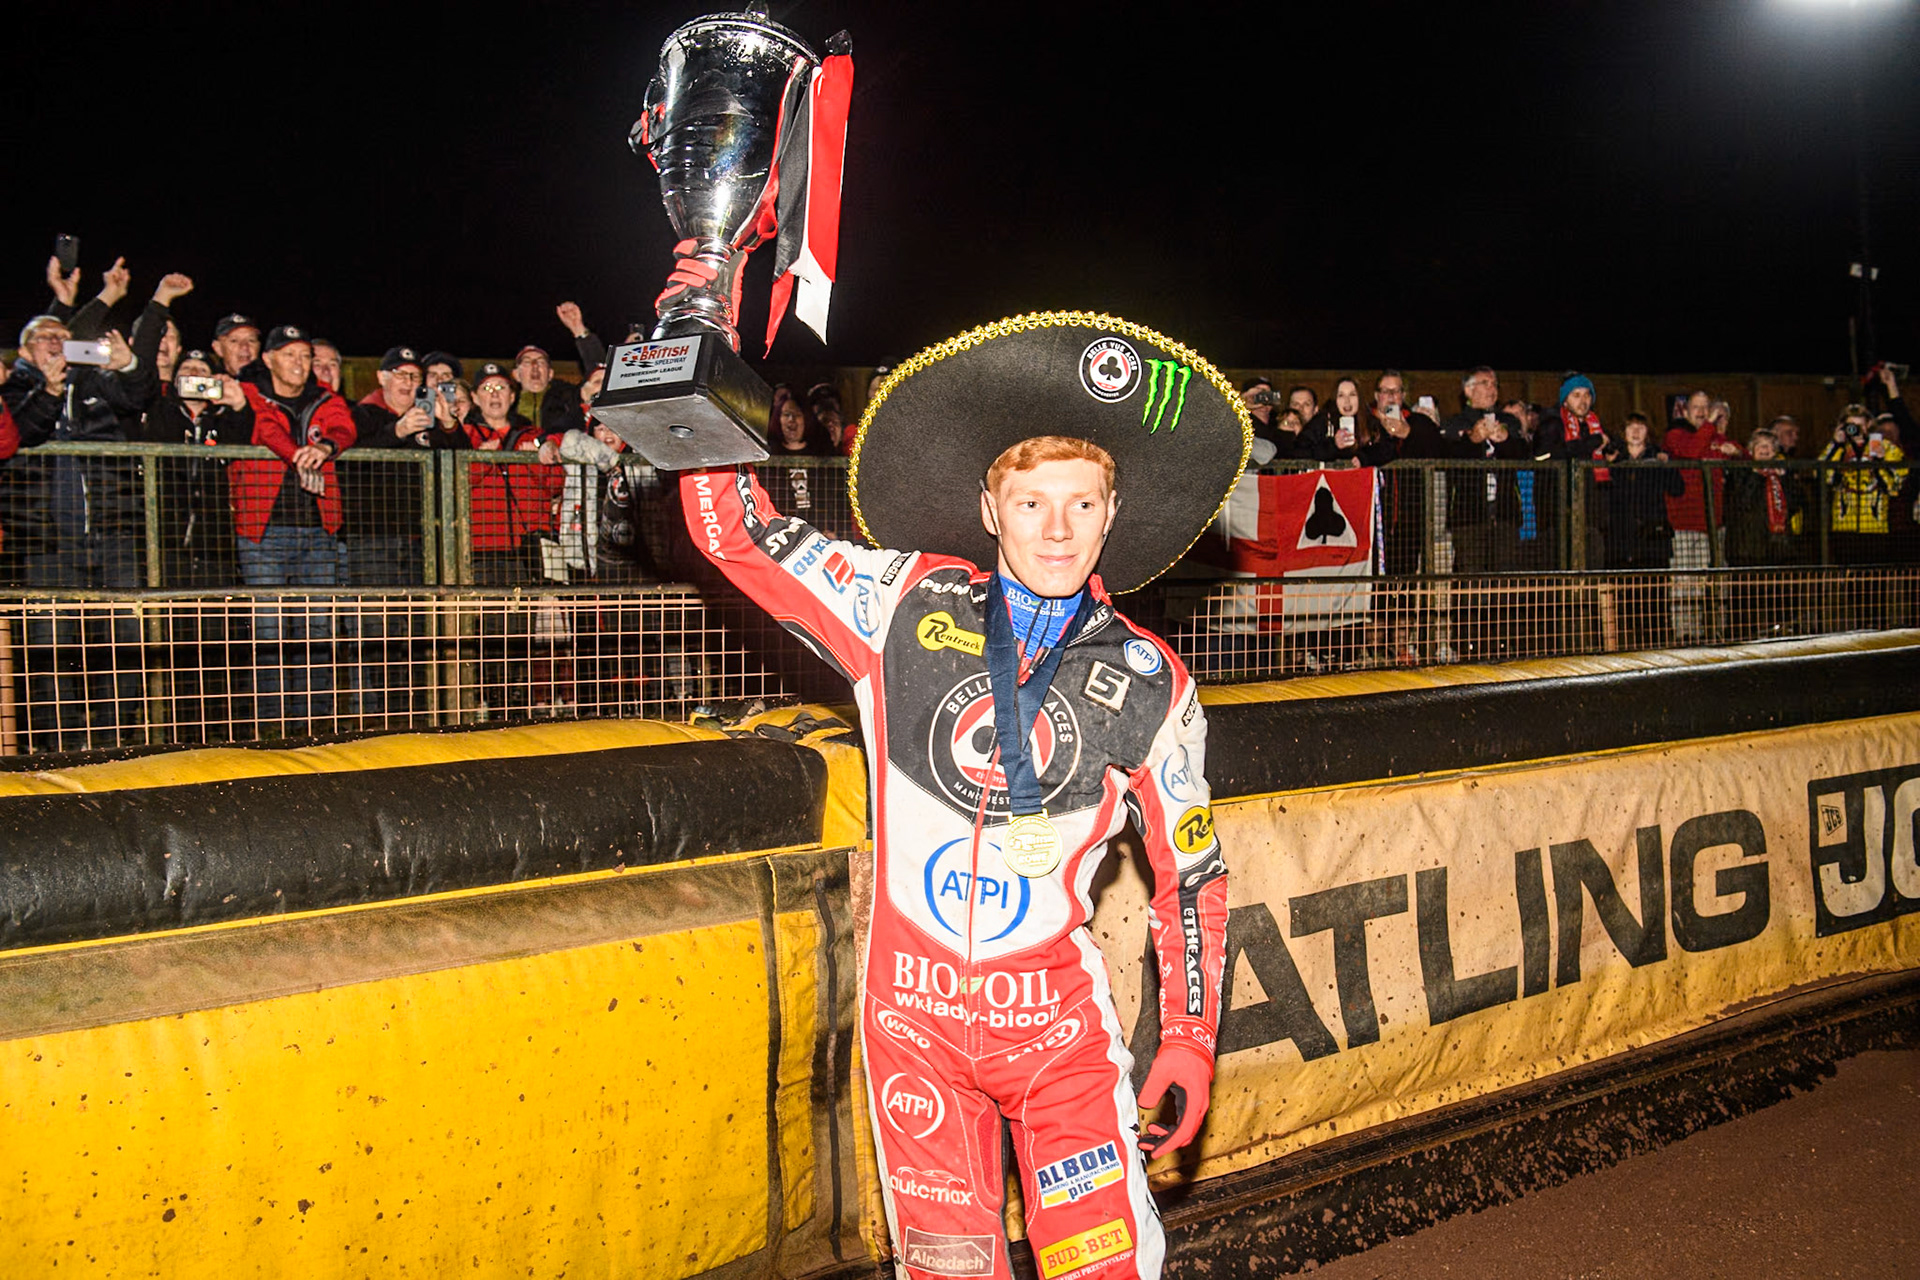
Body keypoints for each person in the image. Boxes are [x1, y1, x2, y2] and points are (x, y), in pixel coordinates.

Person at [677, 316, 1236, 1280]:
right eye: (1030, 503)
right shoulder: (903, 601)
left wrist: (1188, 1038)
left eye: (1081, 503)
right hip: (912, 1037)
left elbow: (1193, 876)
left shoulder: (1153, 680)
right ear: (989, 508)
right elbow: (734, 533)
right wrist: (699, 338)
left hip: (1058, 1042)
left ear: (1112, 512)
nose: (1056, 529)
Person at [2, 313, 157, 749]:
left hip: (112, 534)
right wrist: (49, 391)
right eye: (46, 337)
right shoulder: (13, 388)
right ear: (25, 350)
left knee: (126, 640)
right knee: (51, 647)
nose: (57, 343)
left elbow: (140, 397)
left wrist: (129, 365)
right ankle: (62, 746)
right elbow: (20, 434)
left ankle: (113, 741)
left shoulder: (93, 381)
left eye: (64, 337)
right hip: (47, 542)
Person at [233, 325, 357, 735]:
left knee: (316, 630)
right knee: (270, 631)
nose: (300, 364)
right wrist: (298, 455)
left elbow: (345, 426)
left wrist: (325, 448)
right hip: (263, 530)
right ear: (268, 359)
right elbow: (265, 428)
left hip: (319, 528)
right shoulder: (250, 390)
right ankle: (271, 725)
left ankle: (315, 724)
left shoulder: (326, 396)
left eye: (305, 355)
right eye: (290, 355)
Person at [463, 362, 563, 585]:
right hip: (483, 549)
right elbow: (453, 485)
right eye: (487, 389)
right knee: (490, 616)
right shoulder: (464, 437)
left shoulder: (534, 436)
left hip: (532, 548)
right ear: (475, 398)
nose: (495, 395)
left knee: (529, 617)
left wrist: (535, 461)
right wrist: (480, 461)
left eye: (501, 388)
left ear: (512, 396)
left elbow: (557, 484)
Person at [1661, 390, 1741, 644]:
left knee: (1718, 582)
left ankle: (1718, 630)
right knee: (1686, 582)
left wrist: (1737, 453)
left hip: (1715, 525)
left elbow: (1744, 455)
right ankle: (1686, 633)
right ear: (1685, 411)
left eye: (1706, 407)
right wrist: (1710, 426)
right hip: (1684, 525)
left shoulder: (1716, 438)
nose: (1702, 411)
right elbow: (1692, 450)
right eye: (1696, 407)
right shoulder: (1677, 435)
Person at [1599, 413, 1684, 651]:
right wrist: (1609, 466)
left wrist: (1667, 465)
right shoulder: (1615, 458)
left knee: (1655, 598)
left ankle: (1658, 646)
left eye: (1641, 427)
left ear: (1648, 432)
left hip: (1652, 539)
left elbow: (1678, 489)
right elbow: (1602, 492)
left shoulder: (1657, 457)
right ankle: (1627, 648)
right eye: (1630, 427)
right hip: (1621, 540)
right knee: (1625, 599)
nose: (1636, 432)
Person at [1724, 428, 1805, 639]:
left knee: (1779, 593)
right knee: (1746, 596)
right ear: (1751, 450)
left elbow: (1798, 503)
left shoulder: (1782, 473)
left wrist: (1785, 479)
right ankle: (1741, 636)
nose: (1764, 449)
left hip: (1777, 545)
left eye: (1769, 445)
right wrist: (1759, 476)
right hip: (1747, 547)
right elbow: (1742, 501)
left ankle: (1781, 632)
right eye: (1760, 445)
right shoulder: (1741, 471)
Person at [512, 344, 583, 438]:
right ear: (516, 374)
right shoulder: (507, 403)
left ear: (550, 374)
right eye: (527, 362)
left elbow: (596, 372)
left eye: (541, 362)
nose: (535, 365)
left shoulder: (568, 399)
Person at [210, 314, 263, 379]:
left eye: (251, 340)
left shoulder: (273, 382)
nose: (244, 346)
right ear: (218, 348)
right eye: (234, 341)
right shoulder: (209, 382)